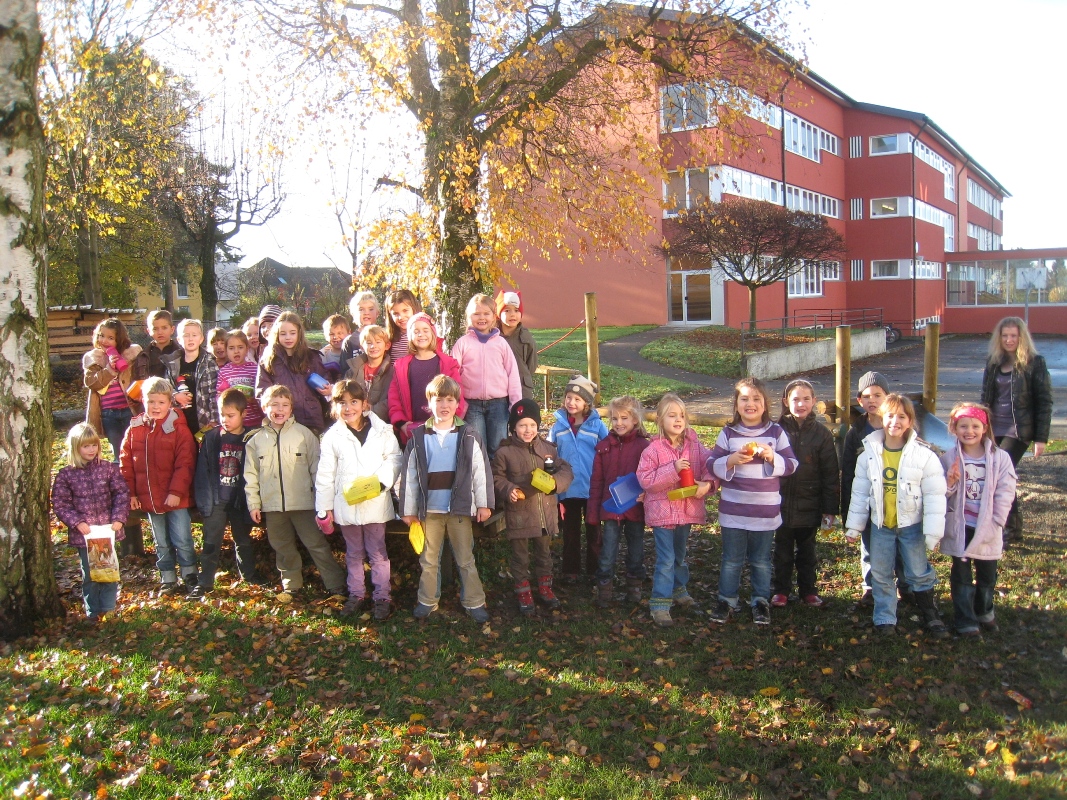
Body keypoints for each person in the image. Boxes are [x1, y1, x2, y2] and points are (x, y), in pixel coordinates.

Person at [844, 394, 948, 637]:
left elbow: (934, 495)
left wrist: (933, 532)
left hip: (911, 526)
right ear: (882, 418)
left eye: (902, 416)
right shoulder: (868, 454)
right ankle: (884, 617)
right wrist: (854, 527)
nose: (895, 421)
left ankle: (929, 613)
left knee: (917, 571)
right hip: (881, 525)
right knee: (880, 572)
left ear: (910, 421)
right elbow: (860, 493)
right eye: (890, 415)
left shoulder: (924, 455)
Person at [399, 374, 493, 623]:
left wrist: (483, 504)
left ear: (457, 404)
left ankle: (474, 601)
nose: (444, 405)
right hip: (429, 510)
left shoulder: (468, 434)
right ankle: (427, 600)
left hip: (459, 509)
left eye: (450, 400)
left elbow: (480, 472)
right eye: (439, 400)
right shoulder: (419, 436)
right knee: (429, 559)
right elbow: (409, 475)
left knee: (465, 558)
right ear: (429, 403)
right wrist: (408, 510)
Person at [244, 384, 348, 601]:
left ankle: (335, 583)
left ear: (291, 409)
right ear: (264, 407)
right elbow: (251, 476)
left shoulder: (304, 435)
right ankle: (291, 584)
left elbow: (317, 470)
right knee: (282, 546)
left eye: (285, 405)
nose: (279, 409)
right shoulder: (255, 441)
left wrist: (322, 503)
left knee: (316, 544)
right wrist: (254, 503)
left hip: (303, 504)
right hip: (272, 506)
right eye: (274, 404)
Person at [708, 378, 798, 626]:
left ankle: (760, 600)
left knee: (760, 560)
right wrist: (730, 461)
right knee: (731, 559)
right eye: (744, 398)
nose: (750, 404)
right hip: (733, 510)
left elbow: (792, 464)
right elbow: (710, 463)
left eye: (756, 398)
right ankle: (727, 599)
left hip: (764, 512)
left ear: (765, 404)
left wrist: (772, 457)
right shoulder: (728, 434)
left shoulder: (775, 433)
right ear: (736, 404)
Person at [316, 380, 402, 620]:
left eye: (353, 402)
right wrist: (324, 508)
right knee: (353, 553)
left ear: (364, 403)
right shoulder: (332, 437)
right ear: (334, 406)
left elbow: (395, 458)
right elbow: (325, 474)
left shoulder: (382, 430)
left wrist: (381, 483)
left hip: (375, 503)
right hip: (347, 506)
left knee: (377, 552)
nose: (348, 408)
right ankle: (356, 594)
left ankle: (382, 596)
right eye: (342, 403)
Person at [636, 393, 715, 627]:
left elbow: (710, 464)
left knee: (679, 555)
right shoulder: (653, 450)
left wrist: (708, 483)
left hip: (687, 510)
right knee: (666, 558)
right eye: (672, 415)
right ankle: (660, 603)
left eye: (681, 415)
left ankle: (679, 588)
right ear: (661, 420)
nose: (678, 420)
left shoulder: (695, 446)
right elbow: (646, 480)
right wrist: (673, 468)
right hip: (662, 513)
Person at [940, 403, 1017, 636]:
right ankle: (965, 619)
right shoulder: (949, 458)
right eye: (963, 426)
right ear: (954, 428)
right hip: (961, 526)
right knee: (961, 576)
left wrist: (998, 520)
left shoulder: (999, 458)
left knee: (987, 575)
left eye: (975, 426)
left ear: (984, 428)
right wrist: (950, 482)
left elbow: (1006, 490)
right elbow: (940, 493)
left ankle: (984, 611)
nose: (969, 431)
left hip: (987, 527)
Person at [492, 398, 573, 615]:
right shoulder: (504, 453)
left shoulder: (548, 449)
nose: (528, 430)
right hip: (520, 513)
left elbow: (565, 471)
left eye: (532, 425)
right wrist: (508, 489)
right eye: (522, 425)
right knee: (520, 555)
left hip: (544, 513)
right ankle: (523, 590)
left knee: (544, 552)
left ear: (538, 426)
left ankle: (545, 587)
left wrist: (556, 484)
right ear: (513, 427)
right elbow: (496, 477)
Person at [119, 377, 198, 595]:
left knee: (182, 538)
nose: (155, 407)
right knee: (161, 541)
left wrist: (176, 492)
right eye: (151, 401)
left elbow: (186, 463)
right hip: (150, 497)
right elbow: (126, 463)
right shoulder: (135, 428)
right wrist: (131, 493)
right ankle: (167, 578)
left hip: (175, 498)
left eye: (161, 402)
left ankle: (190, 575)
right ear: (143, 401)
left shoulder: (179, 429)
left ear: (170, 403)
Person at [979, 316, 1053, 542]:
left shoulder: (1034, 363)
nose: (1009, 340)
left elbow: (1044, 401)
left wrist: (1041, 438)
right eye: (1005, 336)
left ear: (1021, 337)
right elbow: (985, 398)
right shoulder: (993, 362)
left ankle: (1011, 528)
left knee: (1001, 473)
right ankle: (1000, 524)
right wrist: (979, 428)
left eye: (1013, 335)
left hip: (1019, 430)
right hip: (994, 427)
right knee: (992, 474)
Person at [840, 371, 910, 607]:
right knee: (869, 544)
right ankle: (870, 586)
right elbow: (848, 471)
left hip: (896, 498)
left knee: (900, 544)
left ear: (887, 397)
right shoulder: (856, 432)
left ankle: (905, 584)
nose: (872, 400)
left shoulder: (899, 426)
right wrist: (847, 510)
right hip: (867, 500)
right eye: (866, 396)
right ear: (859, 401)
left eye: (878, 395)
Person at [191, 388, 267, 600]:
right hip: (216, 499)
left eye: (231, 415)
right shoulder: (212, 437)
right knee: (211, 541)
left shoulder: (251, 437)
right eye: (222, 415)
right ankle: (205, 582)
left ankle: (249, 575)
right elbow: (202, 471)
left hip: (240, 500)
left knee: (242, 539)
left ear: (243, 414)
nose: (225, 420)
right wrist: (204, 501)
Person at [51, 422, 130, 622]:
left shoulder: (107, 469)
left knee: (108, 570)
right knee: (90, 573)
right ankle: (93, 611)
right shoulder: (66, 474)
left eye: (94, 445)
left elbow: (121, 493)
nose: (91, 450)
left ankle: (109, 607)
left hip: (106, 530)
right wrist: (77, 522)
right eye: (86, 446)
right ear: (76, 448)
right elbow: (60, 503)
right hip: (85, 534)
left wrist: (119, 518)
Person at [772, 379, 839, 608]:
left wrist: (830, 509)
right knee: (782, 551)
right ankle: (780, 590)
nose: (801, 404)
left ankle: (808, 590)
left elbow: (830, 475)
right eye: (795, 399)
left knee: (807, 551)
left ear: (814, 401)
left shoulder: (821, 434)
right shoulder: (775, 430)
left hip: (810, 502)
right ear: (785, 402)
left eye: (806, 399)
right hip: (780, 502)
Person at [588, 395, 650, 607]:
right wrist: (593, 512)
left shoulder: (644, 447)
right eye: (614, 418)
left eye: (624, 418)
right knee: (607, 550)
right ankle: (604, 591)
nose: (619, 423)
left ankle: (634, 589)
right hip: (610, 508)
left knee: (636, 549)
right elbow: (596, 481)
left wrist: (648, 497)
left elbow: (651, 477)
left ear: (635, 420)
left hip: (635, 507)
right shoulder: (604, 447)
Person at [547, 374, 609, 584]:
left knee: (594, 534)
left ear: (586, 403)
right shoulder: (558, 426)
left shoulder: (596, 426)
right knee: (570, 534)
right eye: (568, 397)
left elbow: (608, 450)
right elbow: (550, 452)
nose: (571, 402)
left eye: (577, 399)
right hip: (568, 489)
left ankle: (595, 571)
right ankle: (570, 570)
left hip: (592, 489)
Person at [451, 293, 522, 460]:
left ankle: (497, 484)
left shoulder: (501, 343)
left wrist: (515, 404)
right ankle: (479, 484)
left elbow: (513, 375)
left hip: (499, 404)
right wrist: (456, 403)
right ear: (469, 317)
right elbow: (453, 375)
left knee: (498, 448)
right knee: (476, 447)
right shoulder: (463, 343)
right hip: (472, 405)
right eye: (476, 314)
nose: (481, 318)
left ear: (493, 316)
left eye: (486, 313)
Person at [388, 313, 465, 445]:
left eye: (425, 330)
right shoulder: (401, 366)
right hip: (412, 431)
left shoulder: (448, 364)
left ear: (433, 333)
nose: (421, 334)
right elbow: (394, 397)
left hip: (443, 429)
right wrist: (401, 423)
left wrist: (450, 421)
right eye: (416, 331)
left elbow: (458, 395)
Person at [255, 311, 333, 434]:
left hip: (310, 418)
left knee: (311, 452)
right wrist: (274, 409)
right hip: (282, 419)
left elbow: (326, 380)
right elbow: (262, 392)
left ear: (299, 334)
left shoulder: (311, 357)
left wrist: (329, 389)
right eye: (283, 334)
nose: (288, 337)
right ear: (276, 335)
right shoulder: (269, 361)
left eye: (292, 333)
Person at [82, 317, 146, 458]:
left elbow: (140, 377)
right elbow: (91, 382)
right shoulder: (93, 359)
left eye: (110, 338)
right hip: (108, 413)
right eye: (101, 335)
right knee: (119, 451)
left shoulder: (130, 355)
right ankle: (119, 476)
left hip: (129, 409)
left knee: (134, 448)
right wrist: (109, 370)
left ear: (119, 340)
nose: (104, 340)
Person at [161, 318, 220, 441]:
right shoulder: (172, 362)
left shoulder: (209, 362)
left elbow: (214, 392)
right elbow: (165, 388)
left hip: (204, 418)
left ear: (201, 339)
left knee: (202, 454)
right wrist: (175, 396)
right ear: (179, 340)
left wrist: (215, 420)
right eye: (186, 335)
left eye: (194, 335)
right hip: (179, 419)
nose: (190, 338)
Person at [344, 324, 394, 421]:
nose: (373, 346)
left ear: (387, 345)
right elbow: (345, 395)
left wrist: (371, 409)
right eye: (368, 343)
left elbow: (392, 400)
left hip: (381, 422)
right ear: (362, 347)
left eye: (378, 342)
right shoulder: (352, 371)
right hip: (355, 419)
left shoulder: (392, 373)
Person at [216, 330, 264, 428]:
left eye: (240, 347)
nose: (236, 351)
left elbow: (261, 391)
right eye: (231, 348)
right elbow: (219, 396)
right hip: (234, 423)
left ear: (247, 349)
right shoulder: (224, 372)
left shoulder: (254, 369)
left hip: (255, 420)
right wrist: (228, 395)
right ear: (226, 350)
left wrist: (254, 399)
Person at [497, 291, 538, 400]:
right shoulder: (493, 337)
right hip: (498, 391)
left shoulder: (526, 337)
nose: (512, 314)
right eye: (507, 310)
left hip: (522, 389)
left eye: (516, 310)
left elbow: (531, 365)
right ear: (498, 313)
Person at [341, 290, 381, 363]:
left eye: (371, 309)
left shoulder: (383, 336)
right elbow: (345, 369)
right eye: (361, 309)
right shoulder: (349, 341)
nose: (366, 313)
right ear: (353, 314)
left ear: (377, 313)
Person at [138, 309, 180, 379]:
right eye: (155, 329)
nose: (160, 332)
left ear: (172, 329)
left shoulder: (181, 353)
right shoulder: (143, 356)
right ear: (149, 331)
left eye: (164, 328)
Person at [386, 289, 422, 363]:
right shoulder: (389, 338)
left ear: (414, 309)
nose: (401, 317)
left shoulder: (422, 335)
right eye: (396, 314)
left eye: (405, 311)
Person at [320, 313, 351, 381]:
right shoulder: (322, 356)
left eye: (340, 333)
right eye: (331, 334)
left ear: (349, 333)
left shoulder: (352, 353)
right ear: (325, 336)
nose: (335, 337)